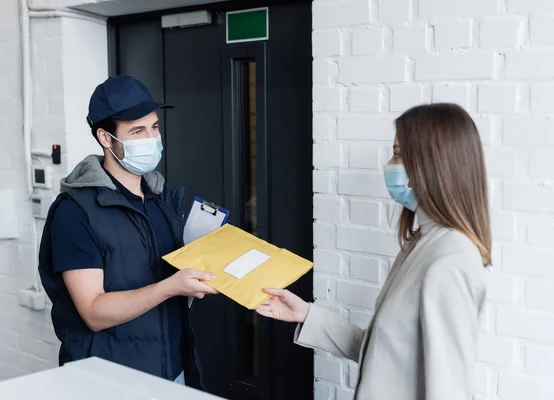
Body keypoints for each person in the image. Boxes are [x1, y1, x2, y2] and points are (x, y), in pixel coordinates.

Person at [256, 103, 491, 400]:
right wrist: (306, 314)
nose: (389, 163)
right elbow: (385, 353)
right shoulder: (421, 243)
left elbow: (448, 389)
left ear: (431, 164)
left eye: (398, 153)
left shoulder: (451, 260)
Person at [38, 75, 217, 389]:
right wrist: (171, 286)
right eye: (137, 131)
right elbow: (93, 311)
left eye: (155, 127)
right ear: (106, 138)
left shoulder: (161, 199)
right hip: (111, 381)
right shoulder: (75, 212)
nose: (151, 138)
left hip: (173, 369)